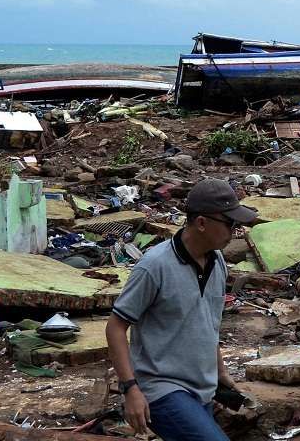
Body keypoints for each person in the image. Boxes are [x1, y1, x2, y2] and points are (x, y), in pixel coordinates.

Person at [105, 177, 258, 441]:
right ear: (201, 223)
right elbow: (115, 328)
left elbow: (208, 323)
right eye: (230, 224)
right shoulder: (154, 266)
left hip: (203, 388)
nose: (235, 231)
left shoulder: (217, 261)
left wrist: (220, 373)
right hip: (162, 389)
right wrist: (130, 389)